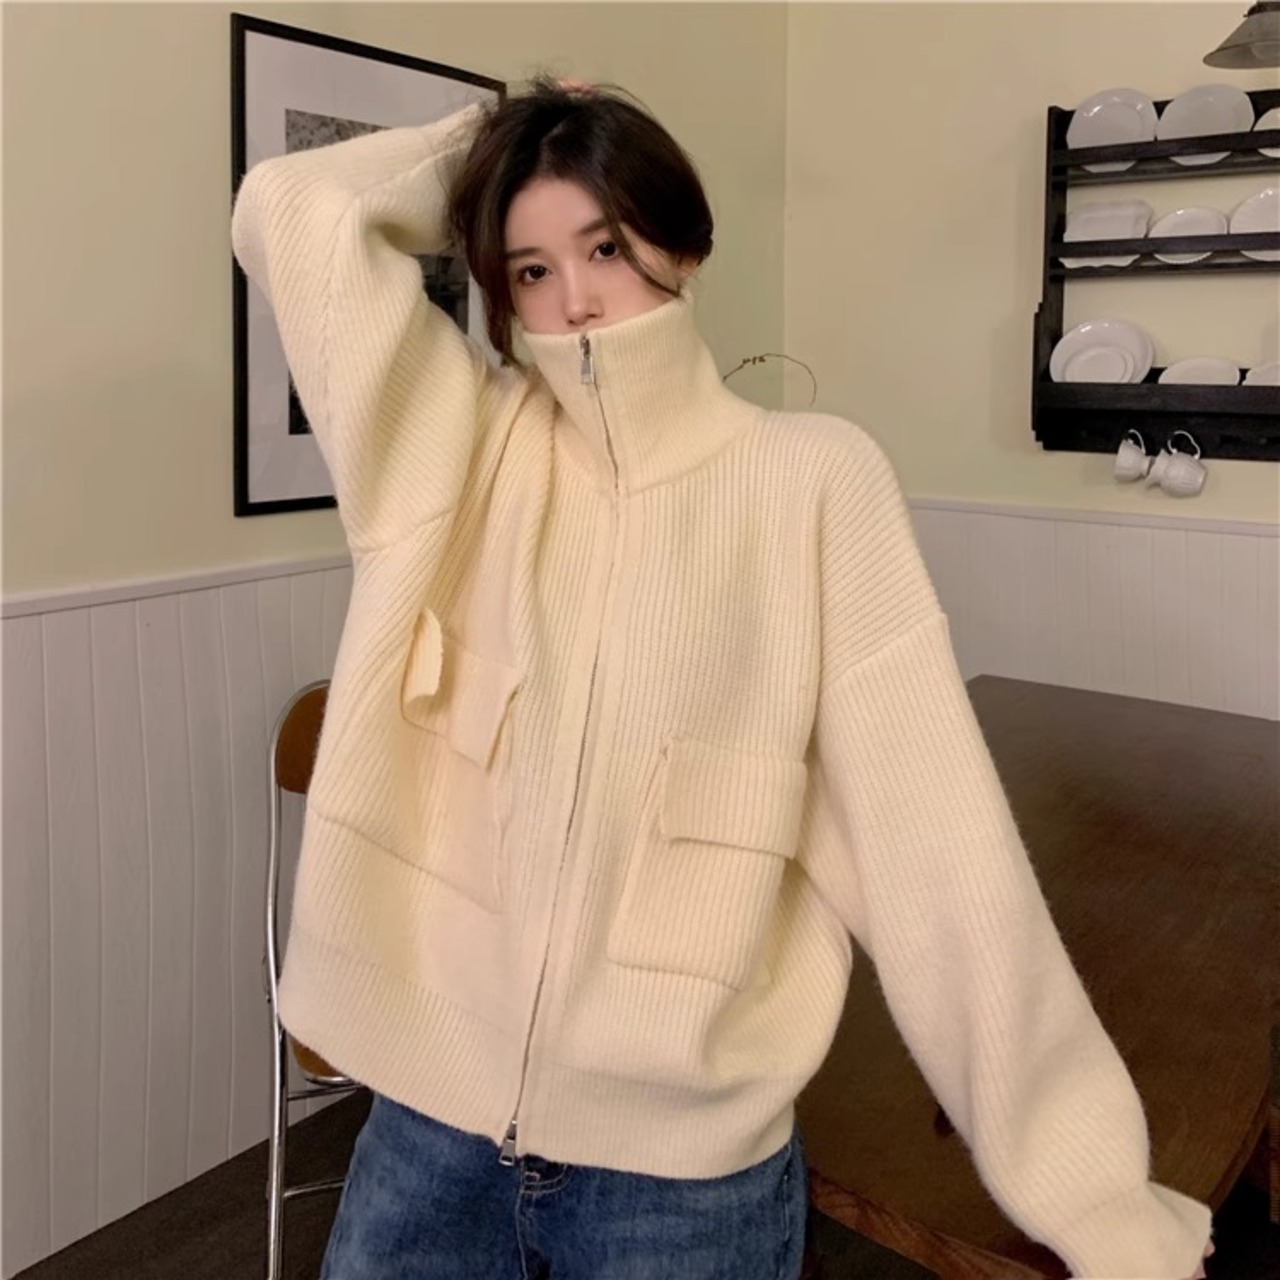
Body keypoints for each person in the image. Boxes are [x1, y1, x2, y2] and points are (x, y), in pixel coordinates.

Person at [232, 76, 1215, 1280]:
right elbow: (294, 208)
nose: (575, 298)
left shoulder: (812, 484)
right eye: (530, 269)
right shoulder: (455, 449)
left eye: (605, 244)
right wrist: (497, 138)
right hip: (427, 1130)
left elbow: (934, 844)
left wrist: (1089, 1190)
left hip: (680, 1179)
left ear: (682, 242)